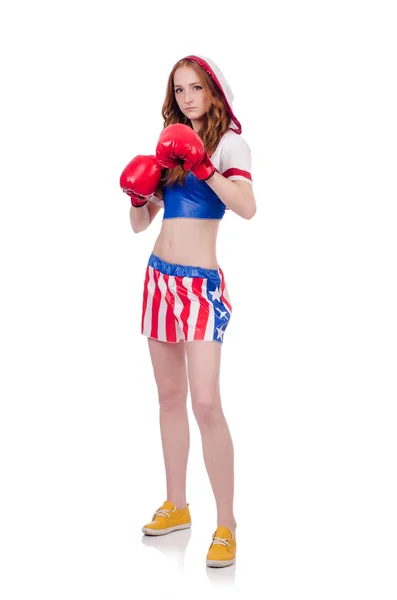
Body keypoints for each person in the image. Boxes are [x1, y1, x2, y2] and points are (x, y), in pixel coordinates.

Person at [119, 54, 256, 568]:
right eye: (179, 90)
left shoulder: (228, 144)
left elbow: (247, 207)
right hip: (159, 278)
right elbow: (139, 225)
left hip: (199, 288)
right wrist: (138, 196)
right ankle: (177, 505)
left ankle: (227, 524)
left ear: (214, 90)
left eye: (196, 88)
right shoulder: (168, 146)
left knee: (206, 404)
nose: (188, 98)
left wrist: (202, 164)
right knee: (169, 397)